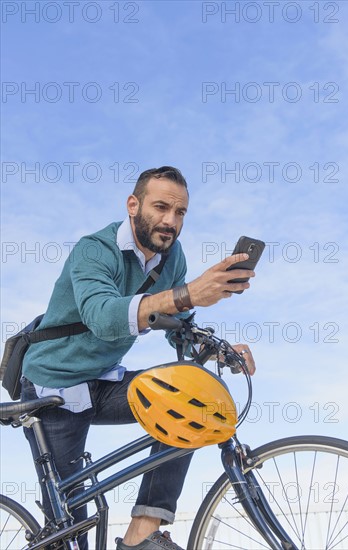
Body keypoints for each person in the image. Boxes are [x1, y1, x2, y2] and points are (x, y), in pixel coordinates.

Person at [21, 166, 256, 550]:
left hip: (102, 379)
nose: (170, 221)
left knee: (194, 395)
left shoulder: (171, 257)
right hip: (54, 385)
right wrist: (189, 293)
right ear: (133, 205)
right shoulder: (94, 249)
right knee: (69, 531)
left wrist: (218, 352)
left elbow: (178, 326)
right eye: (161, 207)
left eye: (180, 213)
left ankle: (141, 534)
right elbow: (102, 316)